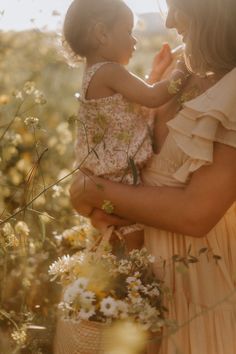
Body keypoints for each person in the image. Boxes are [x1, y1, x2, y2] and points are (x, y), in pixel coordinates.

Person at [69, 0, 236, 353]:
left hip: (203, 287)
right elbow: (125, 139)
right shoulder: (180, 62)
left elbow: (196, 213)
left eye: (179, 7)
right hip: (140, 284)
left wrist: (89, 189)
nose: (171, 21)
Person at [63, 0, 189, 246]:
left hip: (107, 174)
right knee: (133, 241)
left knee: (118, 239)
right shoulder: (110, 71)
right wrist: (182, 69)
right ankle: (131, 279)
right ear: (102, 33)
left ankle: (119, 275)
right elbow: (152, 97)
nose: (135, 41)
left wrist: (155, 75)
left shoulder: (95, 72)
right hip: (121, 176)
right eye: (128, 32)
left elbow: (132, 105)